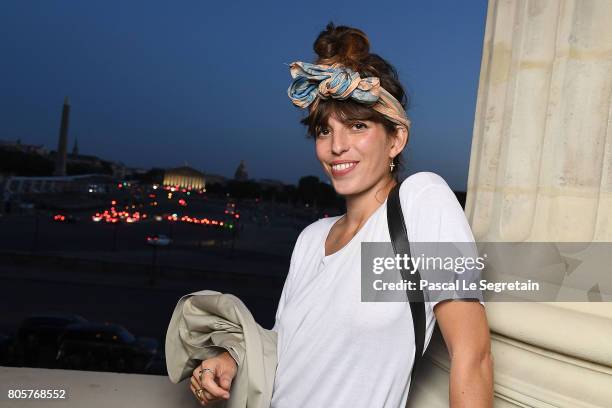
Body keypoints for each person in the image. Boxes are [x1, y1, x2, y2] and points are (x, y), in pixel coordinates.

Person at [189, 22, 494, 407]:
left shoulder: (423, 202)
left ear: (396, 139)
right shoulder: (311, 238)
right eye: (323, 130)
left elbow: (473, 357)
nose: (336, 147)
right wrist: (231, 358)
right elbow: (290, 349)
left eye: (357, 126)